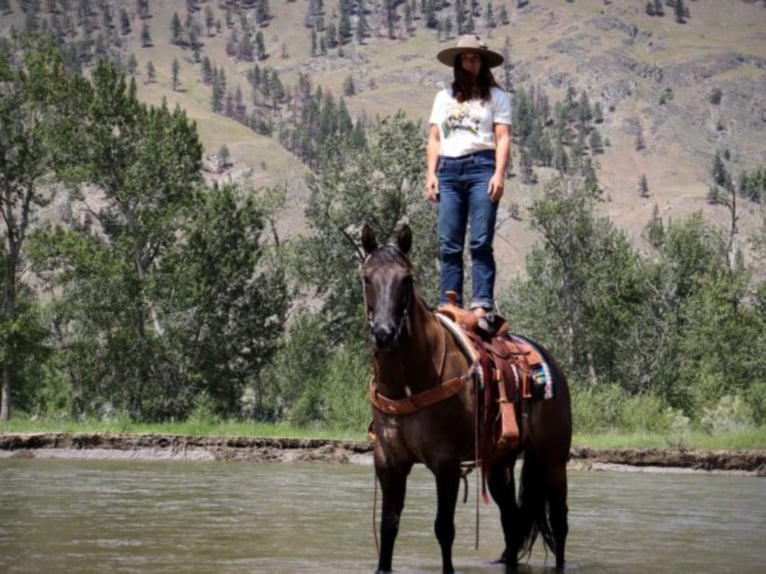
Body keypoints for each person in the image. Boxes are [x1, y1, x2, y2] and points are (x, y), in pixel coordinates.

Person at [425, 34, 512, 334]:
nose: (470, 62)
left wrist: (499, 173)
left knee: (480, 241)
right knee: (449, 243)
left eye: (475, 57)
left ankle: (482, 305)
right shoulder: (443, 97)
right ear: (458, 62)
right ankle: (450, 302)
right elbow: (435, 138)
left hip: (481, 167)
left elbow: (502, 138)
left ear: (483, 62)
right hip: (448, 169)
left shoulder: (497, 98)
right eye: (465, 57)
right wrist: (431, 173)